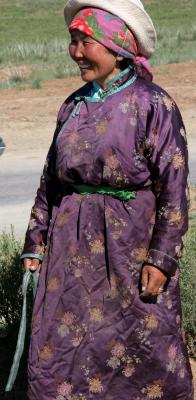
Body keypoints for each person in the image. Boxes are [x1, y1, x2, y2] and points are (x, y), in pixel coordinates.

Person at [21, 0, 193, 398]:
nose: (76, 52)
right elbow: (51, 181)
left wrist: (162, 259)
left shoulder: (154, 104)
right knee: (61, 349)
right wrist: (35, 241)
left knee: (142, 343)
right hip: (70, 257)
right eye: (73, 41)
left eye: (85, 42)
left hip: (131, 254)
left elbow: (174, 187)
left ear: (115, 45)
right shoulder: (72, 106)